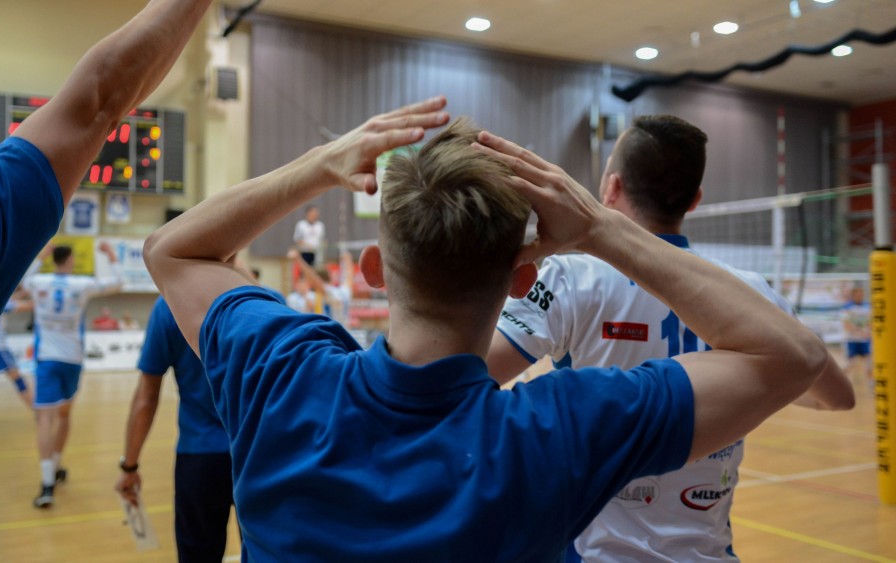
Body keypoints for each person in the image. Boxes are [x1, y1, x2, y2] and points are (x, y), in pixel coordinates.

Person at [143, 98, 830, 561]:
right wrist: (599, 228)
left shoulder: (281, 373)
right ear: (522, 279)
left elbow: (172, 250)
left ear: (374, 270)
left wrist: (321, 165)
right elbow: (794, 357)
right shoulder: (560, 432)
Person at [0, 1, 211, 557]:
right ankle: (52, 469)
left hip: (48, 353)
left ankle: (48, 474)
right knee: (54, 413)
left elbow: (24, 297)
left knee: (45, 413)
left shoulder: (35, 283)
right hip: (66, 357)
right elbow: (99, 97)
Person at [486, 114, 855, 562]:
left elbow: (472, 374)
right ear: (695, 199)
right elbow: (838, 397)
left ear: (611, 187)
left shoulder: (572, 277)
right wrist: (758, 386)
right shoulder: (751, 297)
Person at [115, 296, 235, 562]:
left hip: (200, 458)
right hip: (259, 456)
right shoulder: (268, 299)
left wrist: (129, 467)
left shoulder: (171, 305)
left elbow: (146, 397)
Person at [25, 242, 122, 507]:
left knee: (44, 419)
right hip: (72, 359)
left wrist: (41, 255)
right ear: (70, 260)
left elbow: (22, 279)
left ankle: (47, 483)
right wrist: (111, 256)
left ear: (53, 260)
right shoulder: (82, 284)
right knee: (65, 416)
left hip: (46, 358)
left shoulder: (38, 281)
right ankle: (56, 465)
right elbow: (117, 283)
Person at [287, 248, 355, 324]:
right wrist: (348, 260)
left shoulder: (329, 292)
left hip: (331, 329)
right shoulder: (344, 291)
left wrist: (298, 259)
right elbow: (349, 276)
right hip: (345, 328)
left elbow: (314, 279)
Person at [842, 283, 872, 384]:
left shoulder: (868, 306)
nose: (860, 296)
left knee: (869, 363)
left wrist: (868, 332)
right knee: (850, 363)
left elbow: (870, 322)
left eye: (861, 294)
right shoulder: (847, 307)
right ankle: (839, 381)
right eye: (858, 294)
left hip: (865, 339)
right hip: (852, 339)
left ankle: (871, 382)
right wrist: (858, 331)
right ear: (853, 295)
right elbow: (846, 324)